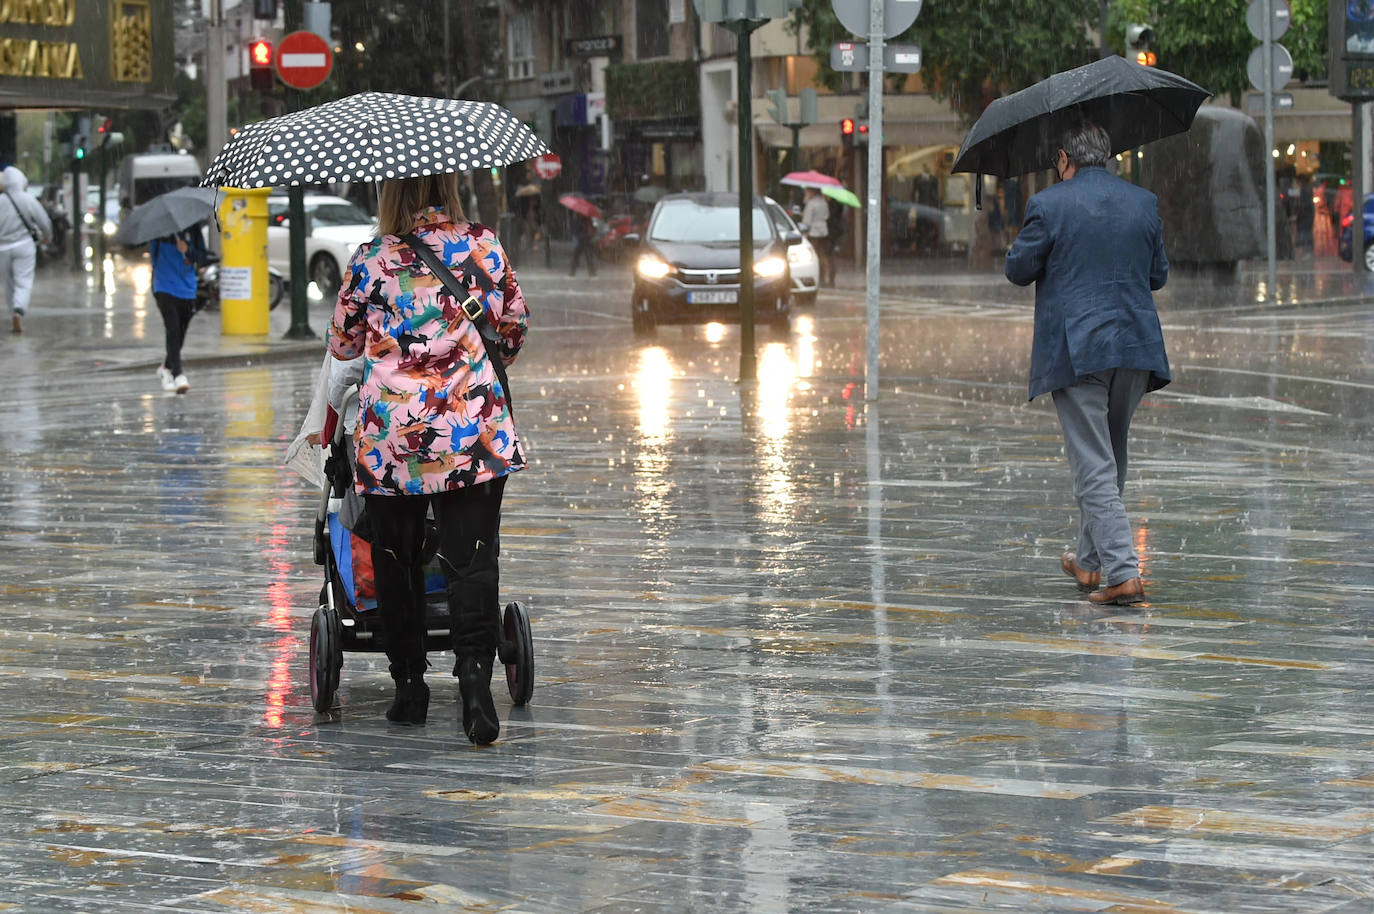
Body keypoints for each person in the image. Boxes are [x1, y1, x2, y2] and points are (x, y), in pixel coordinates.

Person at [328, 170, 528, 744]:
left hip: (393, 439)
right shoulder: (483, 244)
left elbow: (342, 344)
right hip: (472, 435)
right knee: (472, 560)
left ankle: (409, 688)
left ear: (389, 195)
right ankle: (473, 686)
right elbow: (512, 327)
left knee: (396, 558)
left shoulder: (370, 259)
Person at [1004, 120, 1170, 607]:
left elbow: (1017, 269)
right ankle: (1091, 562)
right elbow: (1157, 275)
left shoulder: (1049, 204)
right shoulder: (1144, 202)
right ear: (1108, 156)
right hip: (1135, 348)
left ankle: (1122, 571)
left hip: (1080, 351)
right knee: (1109, 456)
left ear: (1063, 159)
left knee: (1093, 464)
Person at [149, 223, 209, 393]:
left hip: (187, 289)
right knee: (173, 329)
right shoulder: (157, 231)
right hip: (164, 286)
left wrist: (187, 249)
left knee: (180, 334)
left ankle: (166, 367)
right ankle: (178, 375)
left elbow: (202, 257)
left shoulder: (192, 229)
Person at [0, 165, 52, 334]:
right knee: (23, 281)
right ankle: (18, 310)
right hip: (24, 246)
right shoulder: (28, 199)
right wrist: (47, 237)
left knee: (9, 284)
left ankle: (12, 315)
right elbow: (43, 221)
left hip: (2, 248)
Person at [802, 186, 833, 287]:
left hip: (813, 233)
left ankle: (818, 277)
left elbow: (807, 221)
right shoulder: (824, 202)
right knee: (824, 255)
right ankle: (825, 277)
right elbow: (827, 215)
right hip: (824, 231)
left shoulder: (811, 204)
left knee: (814, 255)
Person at [569, 209, 598, 277]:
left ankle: (572, 273)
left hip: (583, 239)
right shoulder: (588, 219)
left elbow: (577, 229)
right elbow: (594, 227)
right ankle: (592, 273)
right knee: (587, 257)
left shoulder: (580, 219)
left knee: (577, 256)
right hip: (586, 239)